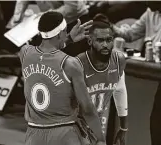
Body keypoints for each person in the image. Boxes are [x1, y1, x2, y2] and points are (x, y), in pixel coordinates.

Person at [18, 11, 106, 145]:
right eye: (65, 31)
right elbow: (87, 108)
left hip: (33, 134)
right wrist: (100, 138)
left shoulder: (24, 53)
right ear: (59, 34)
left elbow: (47, 53)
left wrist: (69, 39)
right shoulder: (70, 64)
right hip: (64, 134)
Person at [112, 2, 161, 145]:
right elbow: (130, 34)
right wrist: (111, 27)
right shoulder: (149, 13)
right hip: (154, 73)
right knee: (155, 121)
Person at [76, 14, 128, 145]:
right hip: (72, 126)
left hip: (94, 127)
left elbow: (120, 91)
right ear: (90, 41)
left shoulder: (118, 60)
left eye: (109, 40)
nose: (105, 45)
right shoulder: (77, 64)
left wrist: (123, 127)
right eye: (100, 40)